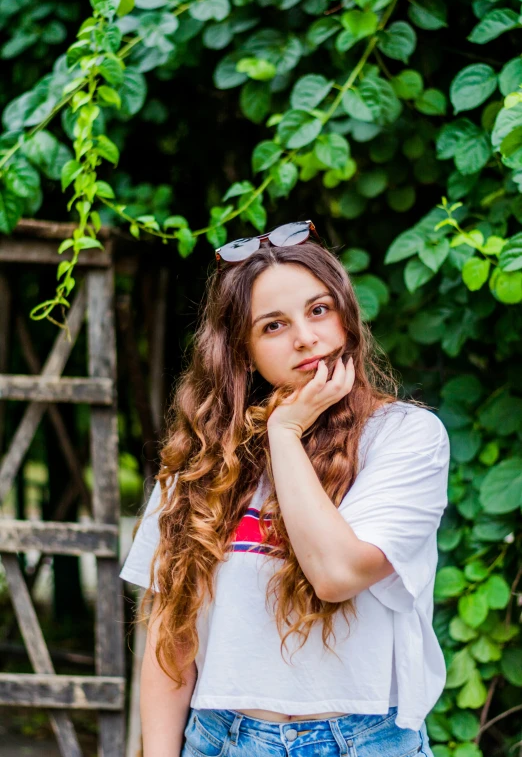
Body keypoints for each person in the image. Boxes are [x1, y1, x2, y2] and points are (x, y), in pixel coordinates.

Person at [120, 220, 450, 757]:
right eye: (273, 326)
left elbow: (336, 575)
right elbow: (171, 637)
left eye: (319, 310)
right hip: (221, 739)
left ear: (345, 315)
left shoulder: (405, 438)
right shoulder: (203, 458)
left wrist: (285, 431)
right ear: (244, 351)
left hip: (362, 741)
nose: (305, 337)